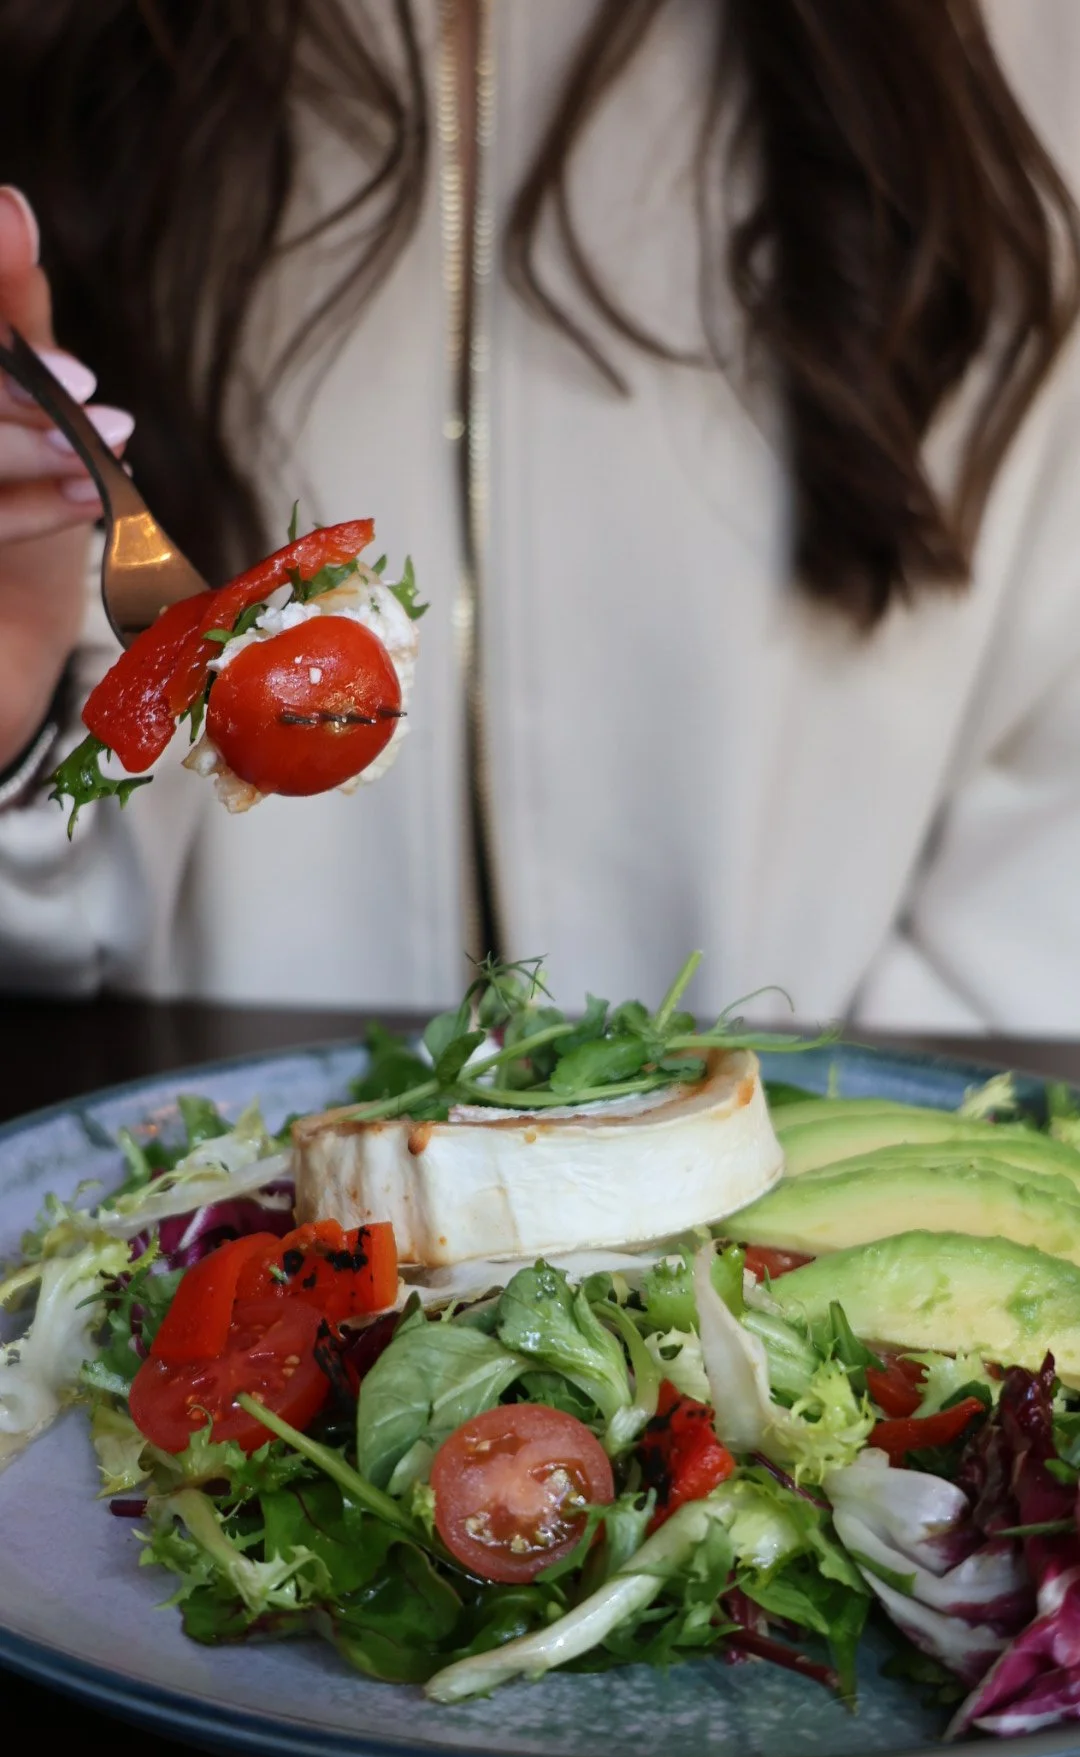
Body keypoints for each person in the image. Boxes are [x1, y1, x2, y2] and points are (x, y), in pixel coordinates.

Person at [1, 0, 1079, 1032]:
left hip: (838, 1180)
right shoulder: (51, 70)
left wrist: (851, 1164)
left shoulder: (1025, 59)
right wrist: (18, 744)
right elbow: (61, 958)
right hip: (201, 1189)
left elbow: (1045, 869)